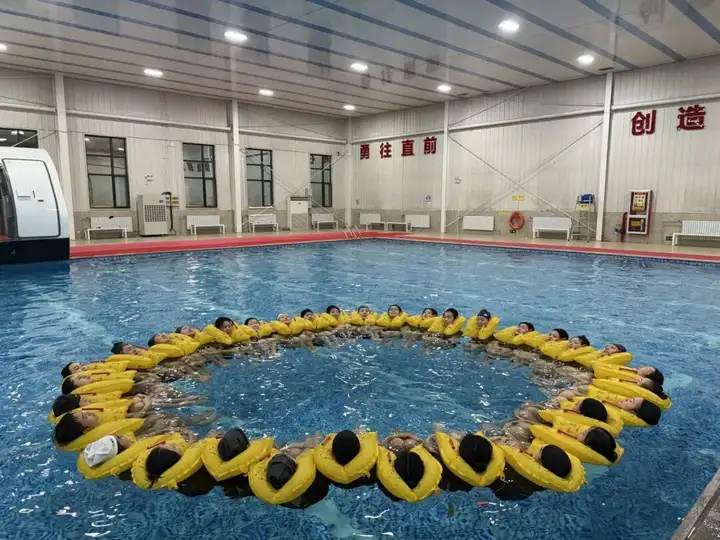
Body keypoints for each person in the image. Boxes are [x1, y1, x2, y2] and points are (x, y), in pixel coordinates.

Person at [490, 444, 572, 500]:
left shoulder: (522, 469)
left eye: (540, 450)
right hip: (521, 494)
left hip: (503, 489)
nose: (539, 447)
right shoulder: (543, 483)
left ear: (540, 462)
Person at [144, 432, 216, 496]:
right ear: (179, 459)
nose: (173, 443)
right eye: (174, 447)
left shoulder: (164, 475)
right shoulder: (190, 462)